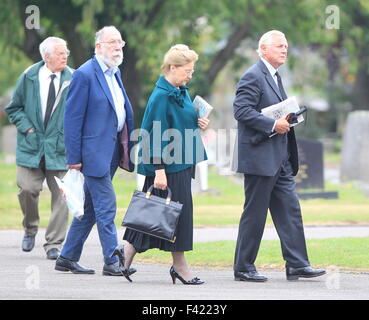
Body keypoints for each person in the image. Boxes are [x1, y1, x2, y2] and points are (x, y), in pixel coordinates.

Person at [232, 30, 326, 282]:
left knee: (290, 210)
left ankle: (297, 264)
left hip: (280, 158)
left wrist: (286, 120)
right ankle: (243, 267)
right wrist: (273, 126)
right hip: (260, 158)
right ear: (263, 49)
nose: (284, 50)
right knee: (255, 214)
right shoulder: (253, 76)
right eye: (279, 46)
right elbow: (241, 111)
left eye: (286, 46)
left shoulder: (274, 76)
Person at [115, 44, 209, 284]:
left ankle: (124, 254)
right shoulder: (161, 95)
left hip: (180, 162)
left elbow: (180, 120)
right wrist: (159, 170)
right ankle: (180, 267)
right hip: (166, 166)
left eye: (192, 70)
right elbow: (154, 134)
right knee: (177, 215)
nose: (190, 75)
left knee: (154, 212)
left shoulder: (180, 90)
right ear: (172, 68)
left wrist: (198, 122)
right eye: (187, 70)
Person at [54, 26, 135, 276]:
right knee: (106, 205)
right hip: (91, 154)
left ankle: (66, 257)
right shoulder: (84, 74)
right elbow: (72, 119)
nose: (118, 47)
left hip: (111, 151)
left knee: (89, 208)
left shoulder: (115, 72)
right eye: (112, 42)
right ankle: (112, 261)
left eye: (120, 42)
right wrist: (74, 158)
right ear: (98, 46)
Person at [5, 37, 73, 260]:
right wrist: (29, 130)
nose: (65, 56)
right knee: (27, 189)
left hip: (61, 147)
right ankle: (30, 228)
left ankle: (53, 243)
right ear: (47, 57)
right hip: (31, 145)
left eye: (66, 52)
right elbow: (14, 108)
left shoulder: (74, 78)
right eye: (60, 53)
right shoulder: (29, 76)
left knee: (63, 196)